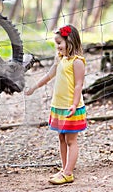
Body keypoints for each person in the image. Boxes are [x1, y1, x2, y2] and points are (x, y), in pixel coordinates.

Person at [25, 24, 87, 185]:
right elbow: (49, 75)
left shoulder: (77, 62)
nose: (57, 46)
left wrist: (74, 104)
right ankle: (64, 168)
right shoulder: (60, 59)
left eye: (59, 43)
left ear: (70, 41)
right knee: (61, 138)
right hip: (58, 106)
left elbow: (79, 85)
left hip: (71, 107)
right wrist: (33, 87)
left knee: (71, 140)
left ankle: (68, 173)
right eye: (56, 43)